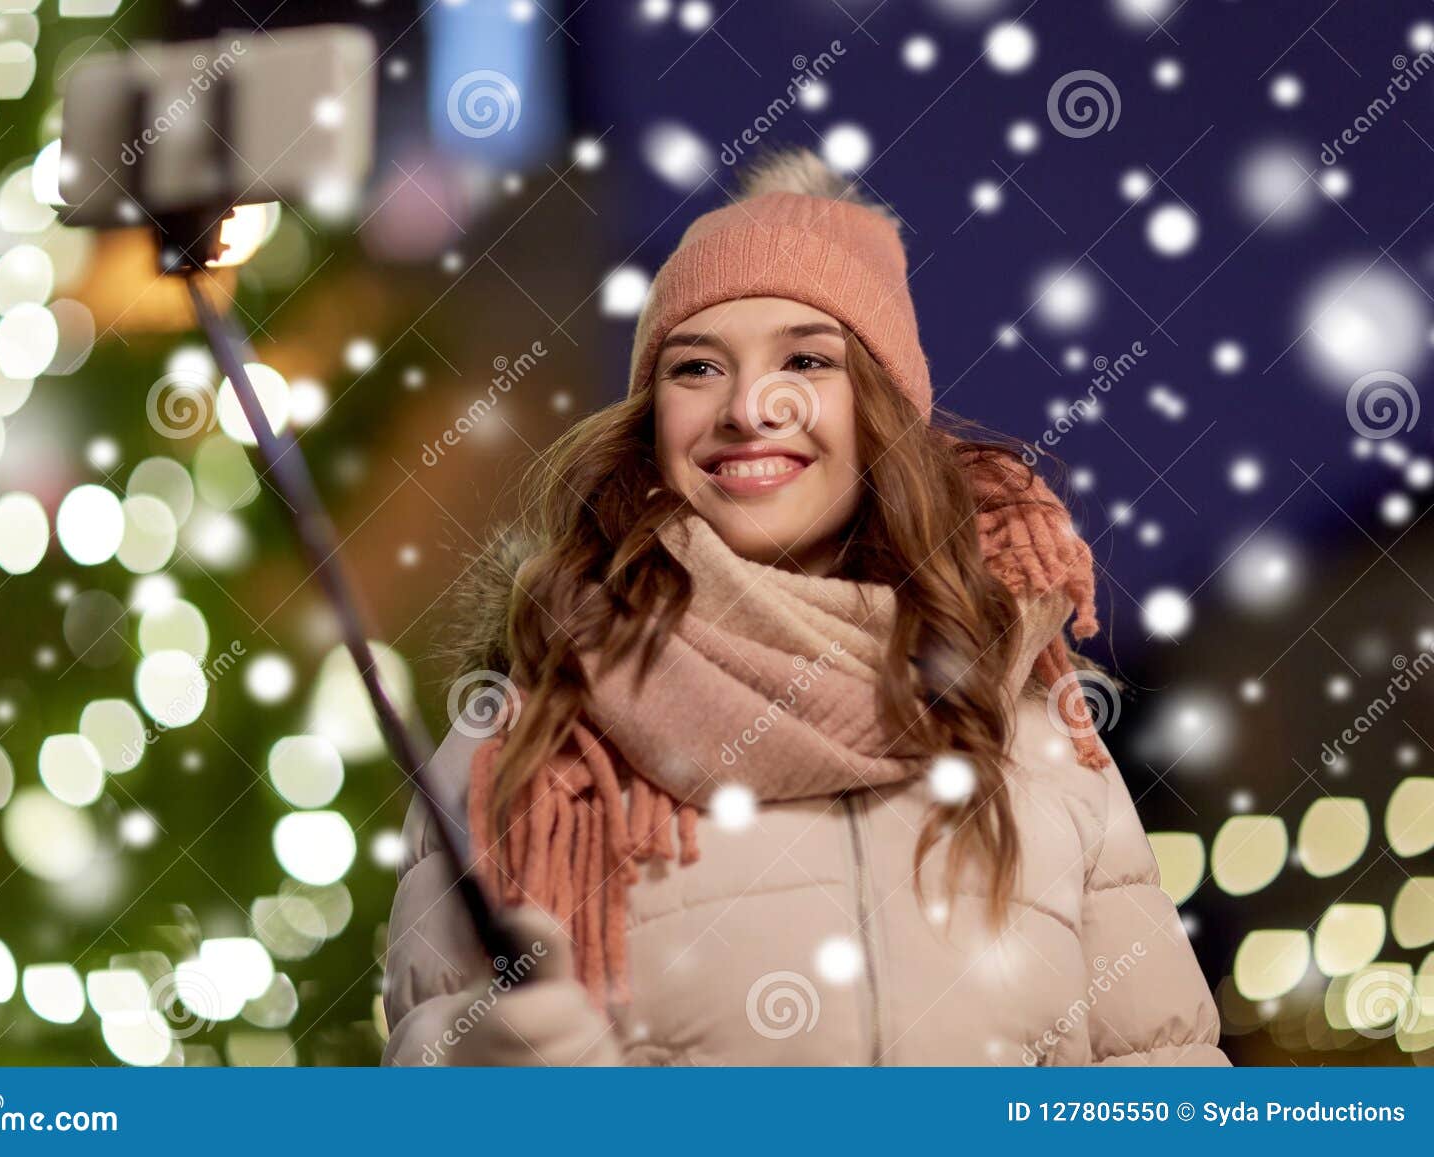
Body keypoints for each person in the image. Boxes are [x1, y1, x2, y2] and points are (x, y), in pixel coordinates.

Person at [380, 149, 1229, 1067]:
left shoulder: (1035, 728)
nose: (751, 406)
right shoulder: (534, 744)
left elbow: (1158, 1069)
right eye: (696, 367)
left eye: (806, 359)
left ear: (879, 411)